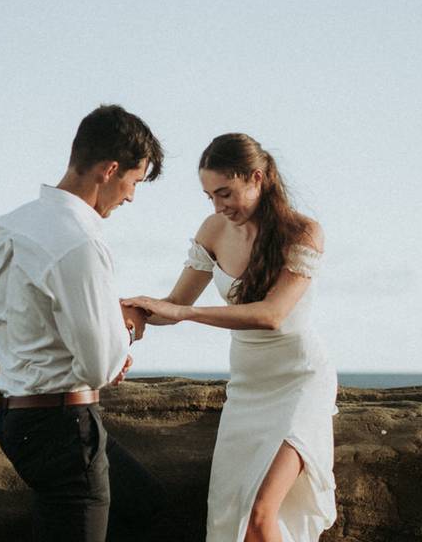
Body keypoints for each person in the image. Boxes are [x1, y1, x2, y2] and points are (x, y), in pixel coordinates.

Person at [122, 133, 337, 542]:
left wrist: (185, 313)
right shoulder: (214, 230)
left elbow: (272, 315)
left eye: (226, 193)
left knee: (261, 512)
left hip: (298, 382)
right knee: (232, 520)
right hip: (247, 390)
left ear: (257, 178)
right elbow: (174, 305)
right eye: (210, 197)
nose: (219, 206)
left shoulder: (303, 233)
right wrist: (130, 311)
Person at [0, 105, 166, 542]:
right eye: (133, 182)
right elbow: (100, 368)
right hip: (64, 429)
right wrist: (129, 326)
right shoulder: (81, 239)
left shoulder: (6, 226)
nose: (132, 196)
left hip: (14, 421)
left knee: (143, 502)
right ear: (109, 170)